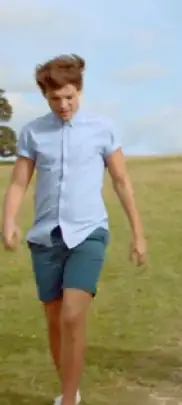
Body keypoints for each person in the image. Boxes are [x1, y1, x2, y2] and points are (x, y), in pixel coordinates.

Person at [1, 54, 147, 405]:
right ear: (45, 96)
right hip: (45, 237)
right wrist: (9, 220)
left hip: (88, 234)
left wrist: (138, 234)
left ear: (79, 90)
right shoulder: (33, 132)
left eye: (69, 97)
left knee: (72, 315)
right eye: (56, 99)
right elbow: (19, 182)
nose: (64, 105)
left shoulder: (102, 129)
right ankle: (70, 389)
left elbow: (121, 181)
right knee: (54, 319)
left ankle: (67, 400)